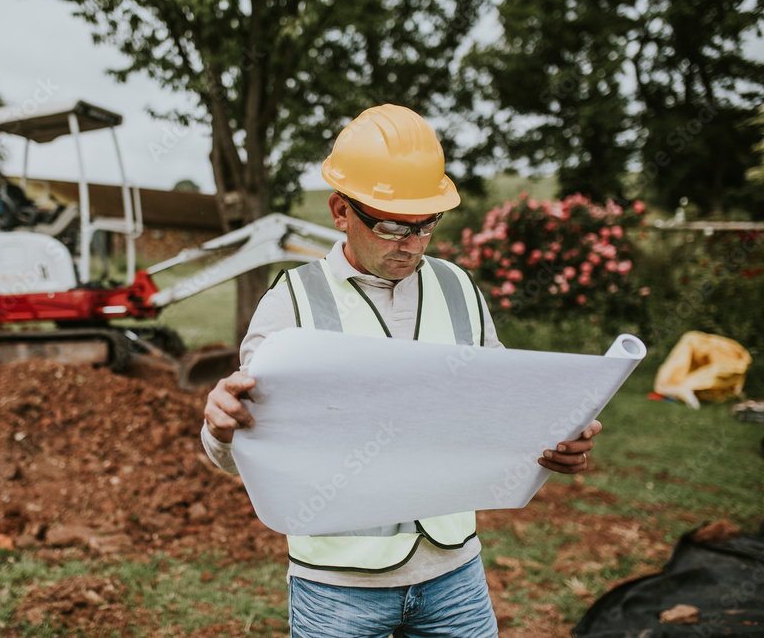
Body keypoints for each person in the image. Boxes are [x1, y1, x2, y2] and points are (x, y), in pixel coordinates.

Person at [201, 104, 602, 638]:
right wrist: (219, 427)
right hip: (338, 586)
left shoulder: (458, 287)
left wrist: (554, 441)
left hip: (453, 572)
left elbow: (502, 405)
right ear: (341, 211)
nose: (411, 244)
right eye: (392, 226)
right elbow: (236, 454)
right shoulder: (292, 302)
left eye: (425, 225)